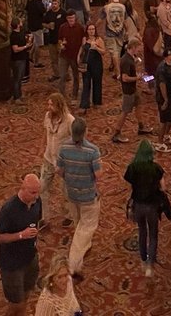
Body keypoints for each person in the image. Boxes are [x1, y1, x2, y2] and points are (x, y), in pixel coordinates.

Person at [57, 118, 102, 279]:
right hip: (88, 195)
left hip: (71, 193)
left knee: (78, 225)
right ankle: (73, 265)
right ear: (85, 131)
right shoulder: (92, 151)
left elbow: (60, 171)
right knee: (86, 228)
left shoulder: (63, 148)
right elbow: (98, 175)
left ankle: (83, 250)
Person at [0, 173, 42, 316]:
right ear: (22, 188)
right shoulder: (9, 209)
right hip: (12, 264)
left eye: (37, 192)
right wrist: (21, 235)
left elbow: (37, 221)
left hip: (30, 258)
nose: (36, 196)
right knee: (16, 305)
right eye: (32, 192)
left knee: (26, 296)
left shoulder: (37, 202)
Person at [124, 140, 166, 277]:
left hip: (138, 205)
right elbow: (163, 188)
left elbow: (129, 184)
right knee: (153, 234)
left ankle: (143, 258)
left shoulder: (132, 167)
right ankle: (150, 263)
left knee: (142, 231)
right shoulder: (156, 168)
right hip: (152, 206)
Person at [40, 93, 74, 228]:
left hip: (63, 162)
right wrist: (41, 147)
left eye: (51, 105)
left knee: (65, 190)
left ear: (59, 106)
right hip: (48, 158)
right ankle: (44, 217)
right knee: (41, 187)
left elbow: (77, 140)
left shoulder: (70, 120)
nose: (49, 108)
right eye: (48, 104)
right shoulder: (47, 117)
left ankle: (69, 215)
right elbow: (45, 133)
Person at [113, 36, 154, 143]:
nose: (139, 50)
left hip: (133, 89)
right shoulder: (126, 60)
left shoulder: (130, 58)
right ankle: (116, 133)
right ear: (134, 47)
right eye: (138, 48)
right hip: (128, 90)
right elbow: (125, 78)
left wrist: (139, 75)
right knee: (125, 112)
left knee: (139, 105)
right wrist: (138, 78)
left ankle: (141, 127)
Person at [154, 44, 171, 152]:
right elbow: (162, 84)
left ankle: (166, 135)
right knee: (163, 120)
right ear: (167, 56)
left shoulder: (169, 65)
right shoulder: (162, 69)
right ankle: (160, 143)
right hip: (164, 98)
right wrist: (165, 99)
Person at [57, 10, 85, 100]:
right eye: (69, 18)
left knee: (76, 76)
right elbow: (60, 39)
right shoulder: (62, 27)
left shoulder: (80, 27)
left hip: (75, 56)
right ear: (66, 19)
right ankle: (61, 95)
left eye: (72, 18)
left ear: (75, 17)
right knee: (62, 76)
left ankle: (74, 94)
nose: (71, 20)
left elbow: (83, 41)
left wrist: (81, 54)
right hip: (64, 55)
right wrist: (61, 45)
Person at [79, 21, 105, 113]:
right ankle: (84, 105)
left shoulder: (99, 39)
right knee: (86, 84)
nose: (91, 31)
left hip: (97, 64)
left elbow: (103, 52)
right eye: (89, 29)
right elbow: (82, 49)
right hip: (86, 64)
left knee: (97, 83)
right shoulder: (84, 39)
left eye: (93, 29)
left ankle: (97, 102)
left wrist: (96, 47)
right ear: (87, 30)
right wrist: (78, 58)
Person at [100, 0, 127, 78]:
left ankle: (118, 73)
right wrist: (127, 31)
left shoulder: (106, 7)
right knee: (117, 53)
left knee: (114, 53)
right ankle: (117, 72)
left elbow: (101, 19)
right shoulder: (123, 7)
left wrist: (94, 26)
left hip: (110, 32)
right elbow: (125, 20)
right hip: (120, 32)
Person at [43, 0, 66, 80]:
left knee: (62, 58)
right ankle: (57, 74)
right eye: (52, 4)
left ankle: (65, 74)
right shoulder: (48, 13)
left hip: (61, 39)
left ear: (59, 4)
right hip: (51, 39)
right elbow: (43, 23)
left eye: (55, 4)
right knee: (53, 59)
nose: (54, 5)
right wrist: (48, 26)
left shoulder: (63, 13)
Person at [10, 15, 31, 103]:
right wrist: (26, 46)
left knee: (20, 78)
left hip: (22, 58)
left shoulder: (20, 33)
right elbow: (15, 49)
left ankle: (19, 95)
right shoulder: (14, 36)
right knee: (17, 79)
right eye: (20, 21)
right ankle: (16, 98)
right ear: (18, 25)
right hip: (17, 60)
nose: (22, 22)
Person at [25, 0, 46, 68]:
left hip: (31, 25)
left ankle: (30, 55)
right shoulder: (39, 3)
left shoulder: (30, 2)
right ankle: (36, 62)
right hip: (37, 26)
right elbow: (43, 11)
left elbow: (26, 9)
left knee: (34, 41)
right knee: (38, 44)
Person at [143, 7, 163, 77]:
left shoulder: (149, 31)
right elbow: (157, 49)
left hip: (153, 65)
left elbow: (156, 50)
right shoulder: (154, 30)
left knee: (152, 83)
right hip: (156, 64)